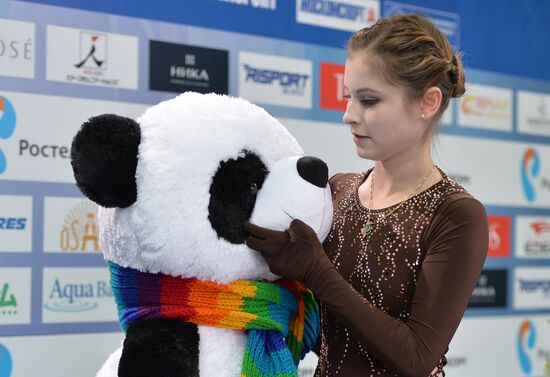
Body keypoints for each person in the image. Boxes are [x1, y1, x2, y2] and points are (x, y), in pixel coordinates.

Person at [244, 13, 489, 377]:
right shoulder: (339, 189)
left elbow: (416, 358)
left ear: (428, 102)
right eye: (348, 97)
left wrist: (316, 271)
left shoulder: (455, 214)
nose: (348, 115)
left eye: (369, 101)